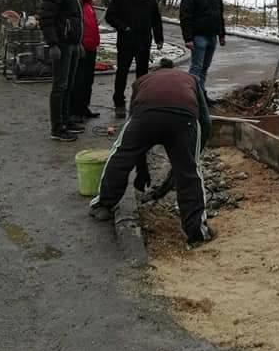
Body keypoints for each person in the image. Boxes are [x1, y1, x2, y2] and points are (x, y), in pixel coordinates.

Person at [89, 59, 214, 248]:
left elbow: (134, 124)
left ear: (156, 70)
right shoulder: (191, 78)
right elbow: (205, 121)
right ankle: (196, 232)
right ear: (174, 69)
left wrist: (141, 169)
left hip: (145, 116)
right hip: (183, 118)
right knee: (189, 174)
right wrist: (193, 156)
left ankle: (103, 205)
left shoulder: (142, 81)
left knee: (120, 155)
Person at [40, 0, 89, 141]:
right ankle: (57, 126)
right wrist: (52, 43)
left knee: (69, 84)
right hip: (61, 43)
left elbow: (76, 20)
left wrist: (79, 43)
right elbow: (47, 17)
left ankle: (66, 119)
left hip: (72, 43)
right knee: (60, 85)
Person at [105, 0, 164, 118]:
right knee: (122, 72)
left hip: (144, 41)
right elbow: (110, 16)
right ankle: (119, 102)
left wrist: (159, 38)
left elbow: (156, 19)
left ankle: (139, 102)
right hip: (126, 40)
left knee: (142, 74)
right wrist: (124, 27)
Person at [179, 0, 226, 102]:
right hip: (198, 37)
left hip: (212, 36)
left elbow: (219, 15)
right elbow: (185, 18)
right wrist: (188, 38)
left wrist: (221, 34)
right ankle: (192, 98)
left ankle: (201, 95)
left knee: (204, 68)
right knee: (196, 69)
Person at [70, 0, 101, 123]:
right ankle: (75, 111)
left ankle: (84, 107)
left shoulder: (89, 5)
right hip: (81, 47)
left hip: (91, 46)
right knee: (79, 80)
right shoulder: (76, 4)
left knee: (88, 80)